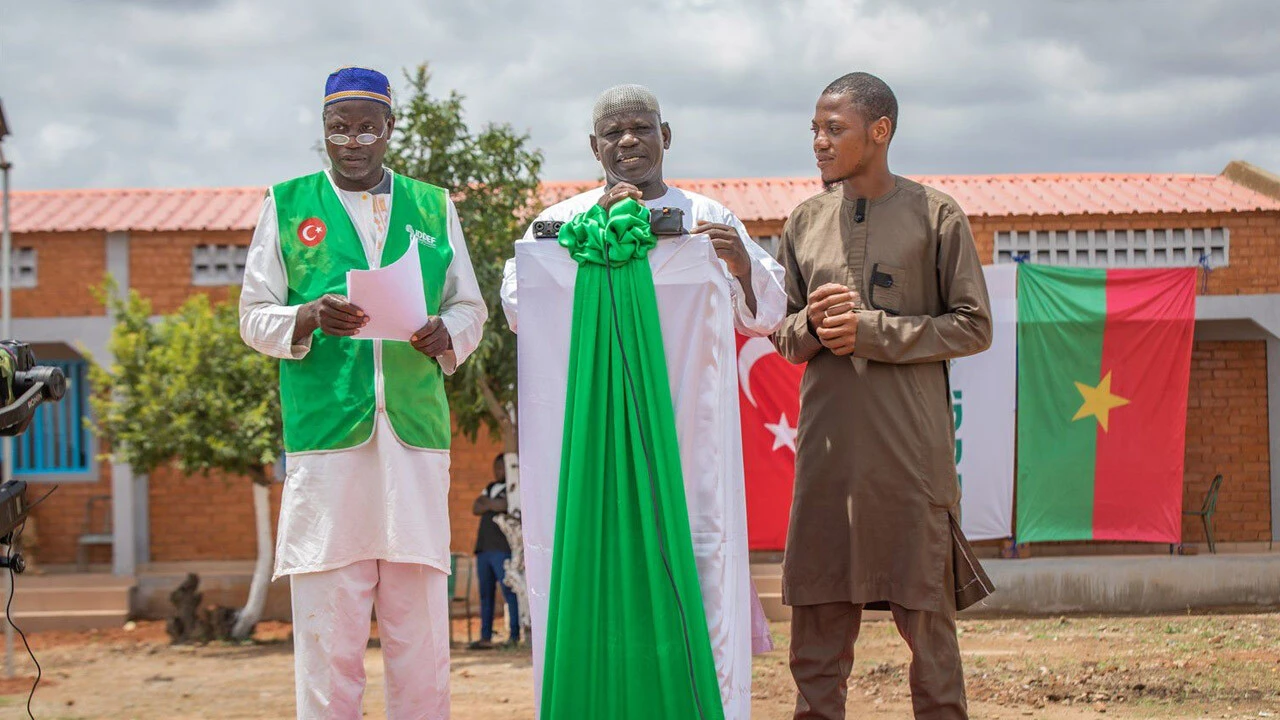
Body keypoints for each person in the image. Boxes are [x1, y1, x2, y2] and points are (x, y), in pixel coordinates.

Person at [501, 84, 787, 719]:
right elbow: (520, 302)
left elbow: (768, 310)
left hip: (690, 436)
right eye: (613, 132)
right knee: (591, 565)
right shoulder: (562, 223)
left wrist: (740, 264)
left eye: (640, 127)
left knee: (699, 557)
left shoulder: (710, 217)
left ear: (666, 135)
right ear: (594, 146)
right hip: (594, 431)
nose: (627, 140)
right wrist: (590, 240)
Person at [239, 66, 487, 720]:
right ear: (324, 131)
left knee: (421, 625)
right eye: (338, 128)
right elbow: (252, 317)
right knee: (329, 627)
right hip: (328, 446)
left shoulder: (433, 206)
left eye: (366, 126)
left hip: (413, 440)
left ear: (390, 129)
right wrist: (306, 317)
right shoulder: (287, 204)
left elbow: (471, 307)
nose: (352, 140)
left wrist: (447, 334)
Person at [771, 72, 995, 720]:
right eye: (813, 128)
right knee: (815, 638)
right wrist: (810, 327)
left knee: (929, 636)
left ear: (880, 131)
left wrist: (874, 331)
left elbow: (973, 325)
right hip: (827, 464)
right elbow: (784, 334)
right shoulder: (804, 222)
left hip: (910, 462)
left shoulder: (935, 214)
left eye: (833, 128)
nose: (818, 141)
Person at [469, 453, 519, 649]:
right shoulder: (490, 487)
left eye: (501, 468)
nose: (497, 471)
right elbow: (475, 507)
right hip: (484, 549)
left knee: (508, 591)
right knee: (485, 594)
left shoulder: (512, 487)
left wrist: (488, 503)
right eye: (495, 468)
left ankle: (514, 635)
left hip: (502, 549)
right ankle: (485, 636)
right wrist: (494, 504)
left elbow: (506, 505)